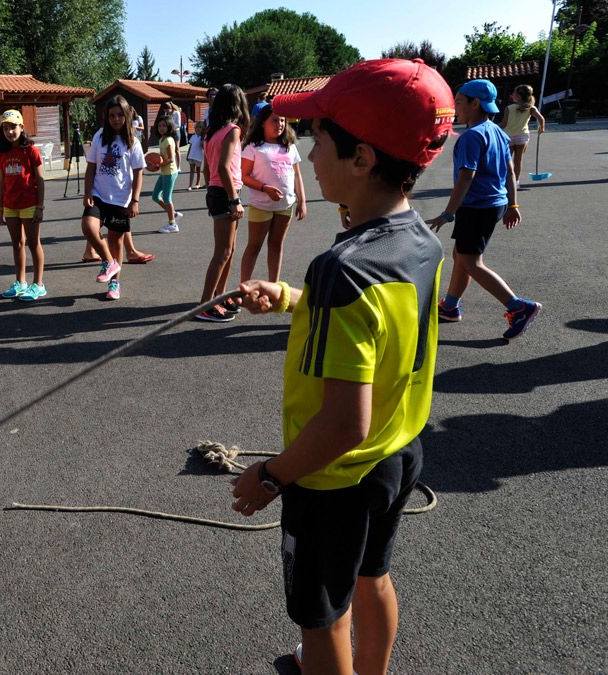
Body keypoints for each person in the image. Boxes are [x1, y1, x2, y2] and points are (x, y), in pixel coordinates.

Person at [231, 57, 453, 675]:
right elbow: (381, 330)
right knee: (371, 575)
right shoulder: (421, 241)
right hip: (398, 453)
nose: (307, 155)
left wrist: (271, 476)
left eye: (320, 139)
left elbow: (342, 424)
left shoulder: (344, 267)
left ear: (361, 159)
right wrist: (291, 299)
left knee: (320, 615)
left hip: (333, 479)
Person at [428, 78, 541, 341]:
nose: (455, 107)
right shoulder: (498, 133)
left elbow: (466, 177)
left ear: (475, 103)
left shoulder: (471, 137)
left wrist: (448, 213)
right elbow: (511, 171)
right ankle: (450, 306)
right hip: (494, 204)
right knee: (461, 255)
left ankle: (519, 307)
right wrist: (512, 204)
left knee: (470, 261)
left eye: (458, 102)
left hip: (477, 206)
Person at [81, 95, 145, 301]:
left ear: (126, 116)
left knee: (116, 242)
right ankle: (109, 262)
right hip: (99, 195)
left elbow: (138, 172)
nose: (115, 119)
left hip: (121, 199)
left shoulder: (132, 141)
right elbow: (91, 167)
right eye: (111, 115)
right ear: (106, 117)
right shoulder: (99, 136)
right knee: (88, 227)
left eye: (119, 115)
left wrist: (135, 200)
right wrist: (88, 192)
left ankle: (114, 283)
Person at [195, 84, 249, 322]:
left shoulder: (212, 132)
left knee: (229, 250)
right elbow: (223, 167)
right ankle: (205, 305)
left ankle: (219, 295)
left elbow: (209, 168)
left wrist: (213, 188)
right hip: (226, 193)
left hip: (219, 191)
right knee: (223, 252)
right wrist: (234, 199)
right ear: (238, 104)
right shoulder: (232, 130)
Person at [239, 104, 307, 283]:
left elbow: (297, 175)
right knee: (254, 247)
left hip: (285, 206)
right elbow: (243, 176)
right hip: (261, 205)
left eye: (283, 120)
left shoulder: (289, 146)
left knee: (276, 246)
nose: (280, 124)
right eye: (275, 120)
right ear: (262, 123)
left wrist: (302, 201)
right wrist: (264, 188)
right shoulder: (253, 147)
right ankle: (244, 287)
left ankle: (274, 286)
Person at [0, 109, 47, 301]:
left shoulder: (31, 150)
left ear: (22, 127)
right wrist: (0, 208)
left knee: (33, 244)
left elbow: (40, 180)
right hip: (10, 206)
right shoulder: (3, 152)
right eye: (6, 128)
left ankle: (38, 284)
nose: (10, 132)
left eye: (13, 127)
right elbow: (2, 183)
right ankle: (20, 282)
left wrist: (40, 207)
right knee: (17, 244)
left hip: (30, 205)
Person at [496, 84, 546, 183]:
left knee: (507, 160)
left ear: (518, 96)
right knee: (518, 160)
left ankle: (506, 181)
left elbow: (504, 124)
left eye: (514, 93)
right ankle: (516, 182)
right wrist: (541, 128)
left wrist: (495, 126)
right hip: (522, 136)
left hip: (508, 136)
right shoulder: (531, 108)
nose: (512, 95)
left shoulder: (509, 108)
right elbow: (541, 118)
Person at [153, 117, 184, 233]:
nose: (161, 128)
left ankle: (173, 224)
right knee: (155, 196)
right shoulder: (162, 139)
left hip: (170, 172)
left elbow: (171, 159)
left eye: (164, 126)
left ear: (169, 127)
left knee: (166, 198)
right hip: (165, 172)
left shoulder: (169, 140)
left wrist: (158, 165)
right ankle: (174, 214)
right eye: (160, 125)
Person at [186, 120, 206, 190]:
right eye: (197, 127)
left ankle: (197, 183)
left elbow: (203, 147)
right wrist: (188, 155)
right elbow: (190, 146)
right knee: (191, 170)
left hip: (198, 156)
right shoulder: (193, 137)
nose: (198, 129)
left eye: (200, 127)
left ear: (203, 129)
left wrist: (202, 142)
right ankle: (190, 185)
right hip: (191, 155)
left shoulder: (203, 138)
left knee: (198, 170)